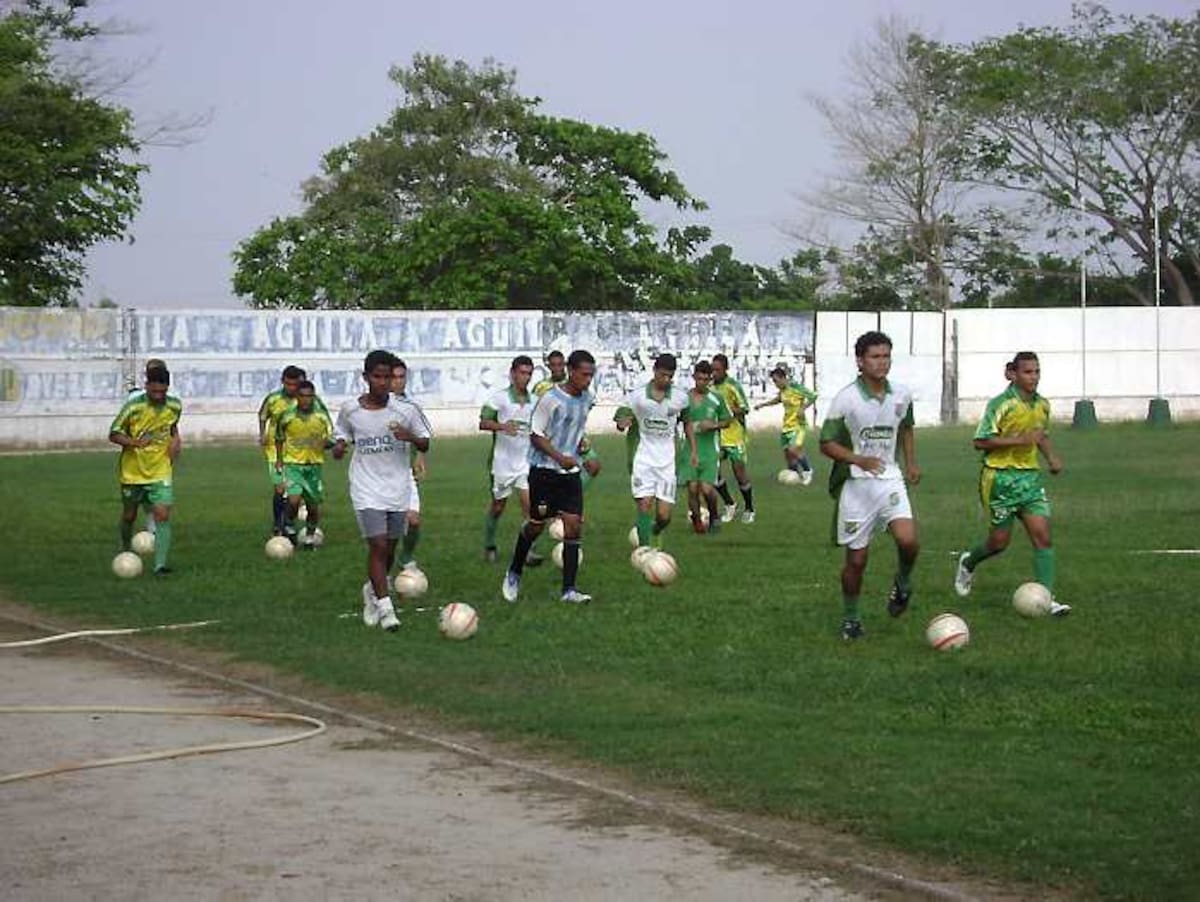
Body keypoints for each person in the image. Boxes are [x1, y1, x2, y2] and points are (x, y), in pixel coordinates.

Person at [819, 331, 920, 641]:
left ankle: (902, 583)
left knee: (908, 541)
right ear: (860, 361)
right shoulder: (846, 398)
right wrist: (856, 459)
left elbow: (905, 428)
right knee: (857, 561)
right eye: (875, 357)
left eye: (886, 356)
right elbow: (826, 443)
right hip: (856, 486)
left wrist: (911, 462)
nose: (882, 362)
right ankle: (851, 618)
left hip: (889, 478)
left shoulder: (901, 394)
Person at [954, 352, 1071, 616]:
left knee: (1043, 537)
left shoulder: (1042, 405)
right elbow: (980, 441)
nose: (1034, 377)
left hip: (1029, 480)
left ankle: (1047, 599)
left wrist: (1052, 458)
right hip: (999, 479)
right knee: (999, 542)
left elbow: (1040, 436)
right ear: (1013, 374)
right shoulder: (1001, 404)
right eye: (1028, 372)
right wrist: (1019, 440)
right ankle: (968, 562)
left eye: (1037, 372)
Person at [333, 350, 431, 632]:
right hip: (365, 487)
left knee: (389, 548)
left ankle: (371, 590)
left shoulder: (406, 410)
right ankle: (387, 609)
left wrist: (409, 436)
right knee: (376, 544)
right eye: (377, 376)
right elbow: (342, 433)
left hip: (398, 487)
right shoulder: (350, 409)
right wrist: (339, 446)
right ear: (365, 378)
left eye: (388, 377)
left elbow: (424, 444)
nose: (383, 382)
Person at [501, 349, 596, 605]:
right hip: (544, 471)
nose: (588, 380)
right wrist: (558, 457)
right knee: (536, 526)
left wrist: (587, 453)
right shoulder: (550, 399)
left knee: (574, 525)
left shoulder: (588, 398)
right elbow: (536, 435)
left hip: (570, 473)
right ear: (571, 371)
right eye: (584, 374)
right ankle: (514, 571)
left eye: (591, 375)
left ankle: (569, 590)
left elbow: (576, 430)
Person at [615, 353, 695, 549]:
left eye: (670, 376)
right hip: (642, 458)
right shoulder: (638, 396)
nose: (666, 379)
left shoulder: (680, 397)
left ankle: (655, 530)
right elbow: (621, 416)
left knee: (664, 516)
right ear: (654, 371)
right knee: (644, 505)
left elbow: (687, 422)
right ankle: (644, 551)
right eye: (662, 375)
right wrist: (622, 423)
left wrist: (693, 450)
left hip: (667, 462)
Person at [109, 365, 182, 575]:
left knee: (162, 514)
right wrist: (134, 442)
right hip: (132, 472)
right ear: (147, 386)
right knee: (129, 515)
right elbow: (113, 434)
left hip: (160, 469)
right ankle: (124, 550)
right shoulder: (133, 408)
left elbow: (172, 426)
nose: (158, 395)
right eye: (154, 391)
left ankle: (160, 565)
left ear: (167, 387)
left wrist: (176, 441)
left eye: (162, 391)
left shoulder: (175, 406)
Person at [480, 355, 537, 563]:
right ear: (513, 374)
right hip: (502, 463)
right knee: (498, 506)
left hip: (526, 462)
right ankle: (489, 544)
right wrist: (502, 426)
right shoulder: (499, 399)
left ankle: (527, 551)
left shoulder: (535, 401)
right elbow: (483, 423)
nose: (526, 377)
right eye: (522, 373)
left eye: (529, 373)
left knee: (530, 508)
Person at [274, 379, 334, 549]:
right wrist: (279, 460)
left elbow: (332, 438)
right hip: (293, 465)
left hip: (314, 466)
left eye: (310, 396)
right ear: (297, 397)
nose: (306, 400)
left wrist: (327, 444)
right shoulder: (287, 416)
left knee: (313, 508)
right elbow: (278, 438)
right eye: (303, 396)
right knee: (293, 501)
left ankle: (309, 538)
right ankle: (289, 526)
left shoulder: (321, 416)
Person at [127, 359, 182, 534]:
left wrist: (175, 442)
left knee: (159, 491)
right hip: (138, 454)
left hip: (161, 453)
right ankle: (145, 521)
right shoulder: (135, 399)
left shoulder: (171, 399)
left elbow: (172, 424)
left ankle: (153, 525)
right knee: (141, 493)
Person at [679, 359, 731, 533]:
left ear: (710, 379)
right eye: (698, 379)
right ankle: (697, 521)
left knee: (707, 488)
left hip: (709, 450)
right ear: (694, 377)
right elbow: (676, 419)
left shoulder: (716, 399)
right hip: (689, 449)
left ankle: (714, 515)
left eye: (705, 379)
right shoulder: (684, 399)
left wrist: (713, 425)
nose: (701, 382)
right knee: (692, 488)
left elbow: (727, 420)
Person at [258, 366, 310, 535]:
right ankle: (278, 523)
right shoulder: (273, 399)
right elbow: (262, 415)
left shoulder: (304, 401)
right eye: (288, 384)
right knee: (280, 488)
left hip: (297, 452)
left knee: (295, 492)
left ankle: (288, 522)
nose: (291, 388)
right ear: (282, 382)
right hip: (275, 450)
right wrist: (262, 434)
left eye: (294, 384)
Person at [390, 360, 429, 571]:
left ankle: (405, 557)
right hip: (379, 475)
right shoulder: (374, 405)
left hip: (404, 472)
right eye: (394, 377)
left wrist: (420, 456)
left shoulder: (412, 407)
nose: (399, 382)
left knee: (413, 520)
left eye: (402, 377)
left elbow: (422, 436)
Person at [754, 364, 818, 485]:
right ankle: (793, 474)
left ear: (783, 378)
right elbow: (777, 400)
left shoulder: (796, 387)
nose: (775, 384)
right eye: (773, 381)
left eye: (776, 381)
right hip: (787, 425)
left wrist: (802, 408)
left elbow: (813, 395)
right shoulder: (783, 391)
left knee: (793, 449)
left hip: (798, 425)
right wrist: (762, 405)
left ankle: (807, 471)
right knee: (787, 453)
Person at [710, 353, 755, 523]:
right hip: (717, 436)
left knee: (739, 473)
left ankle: (749, 508)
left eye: (717, 370)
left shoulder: (733, 386)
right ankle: (730, 503)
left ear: (725, 369)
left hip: (735, 436)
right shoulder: (710, 387)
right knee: (713, 471)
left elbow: (744, 408)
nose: (714, 373)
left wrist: (726, 410)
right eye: (712, 370)